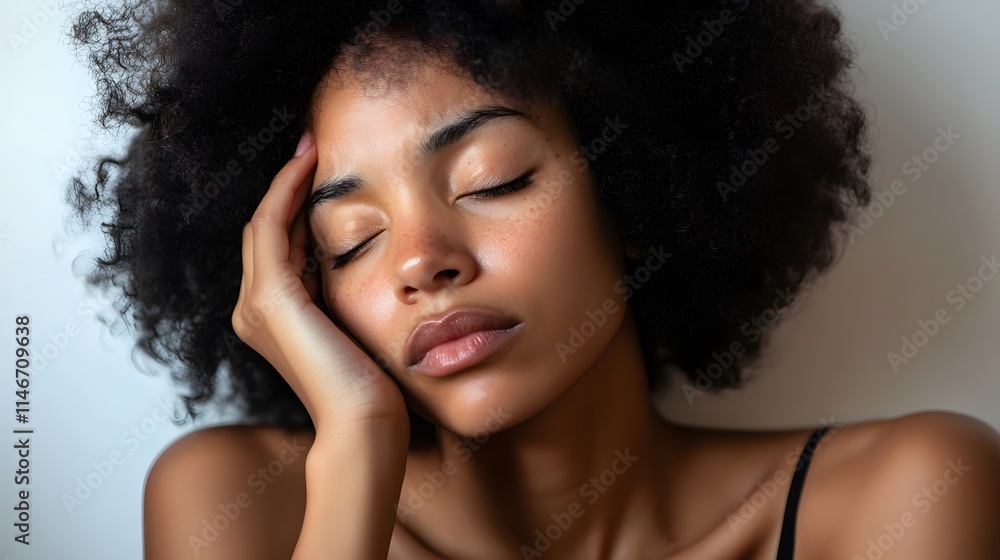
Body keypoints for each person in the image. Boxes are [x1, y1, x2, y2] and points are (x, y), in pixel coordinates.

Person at [67, 0, 1000, 558]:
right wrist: (354, 447)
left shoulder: (902, 496)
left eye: (492, 180)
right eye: (351, 240)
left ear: (639, 196)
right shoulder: (244, 503)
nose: (421, 261)